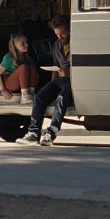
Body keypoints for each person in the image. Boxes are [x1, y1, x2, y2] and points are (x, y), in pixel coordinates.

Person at [18, 14, 72, 146]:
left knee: (61, 99)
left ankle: (50, 134)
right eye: (57, 34)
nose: (60, 37)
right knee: (39, 97)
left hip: (73, 82)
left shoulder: (77, 44)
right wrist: (51, 84)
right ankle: (33, 133)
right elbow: (56, 66)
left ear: (70, 29)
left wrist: (68, 72)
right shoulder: (56, 45)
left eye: (63, 34)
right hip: (60, 79)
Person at [0, 33, 38, 105]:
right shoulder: (9, 57)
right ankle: (25, 97)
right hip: (10, 83)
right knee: (23, 67)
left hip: (23, 84)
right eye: (22, 43)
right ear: (15, 45)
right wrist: (3, 90)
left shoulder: (27, 57)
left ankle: (31, 94)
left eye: (26, 42)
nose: (26, 45)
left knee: (31, 67)